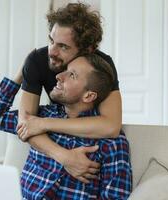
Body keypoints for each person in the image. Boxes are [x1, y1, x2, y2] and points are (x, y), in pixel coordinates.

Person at [0, 54, 132, 199]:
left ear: (88, 96)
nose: (59, 76)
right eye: (66, 69)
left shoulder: (112, 143)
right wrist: (24, 72)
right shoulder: (40, 117)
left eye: (72, 75)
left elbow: (115, 196)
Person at [18, 3, 123, 183]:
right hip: (57, 142)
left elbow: (111, 126)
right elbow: (26, 125)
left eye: (63, 47)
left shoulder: (100, 66)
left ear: (87, 50)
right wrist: (65, 157)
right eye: (51, 40)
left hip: (91, 144)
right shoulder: (37, 60)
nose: (52, 51)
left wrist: (43, 123)